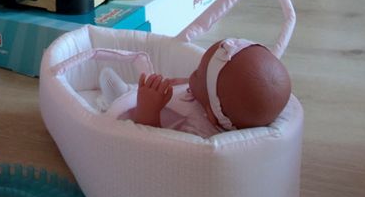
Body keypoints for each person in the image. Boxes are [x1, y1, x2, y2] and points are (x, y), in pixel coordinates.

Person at [98, 39, 292, 136]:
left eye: (198, 73)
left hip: (145, 116)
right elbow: (198, 90)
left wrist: (148, 110)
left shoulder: (197, 130)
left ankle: (120, 98)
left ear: (212, 114)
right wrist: (184, 84)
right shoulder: (215, 102)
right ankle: (129, 92)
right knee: (149, 87)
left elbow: (154, 144)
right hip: (169, 98)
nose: (193, 73)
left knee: (131, 103)